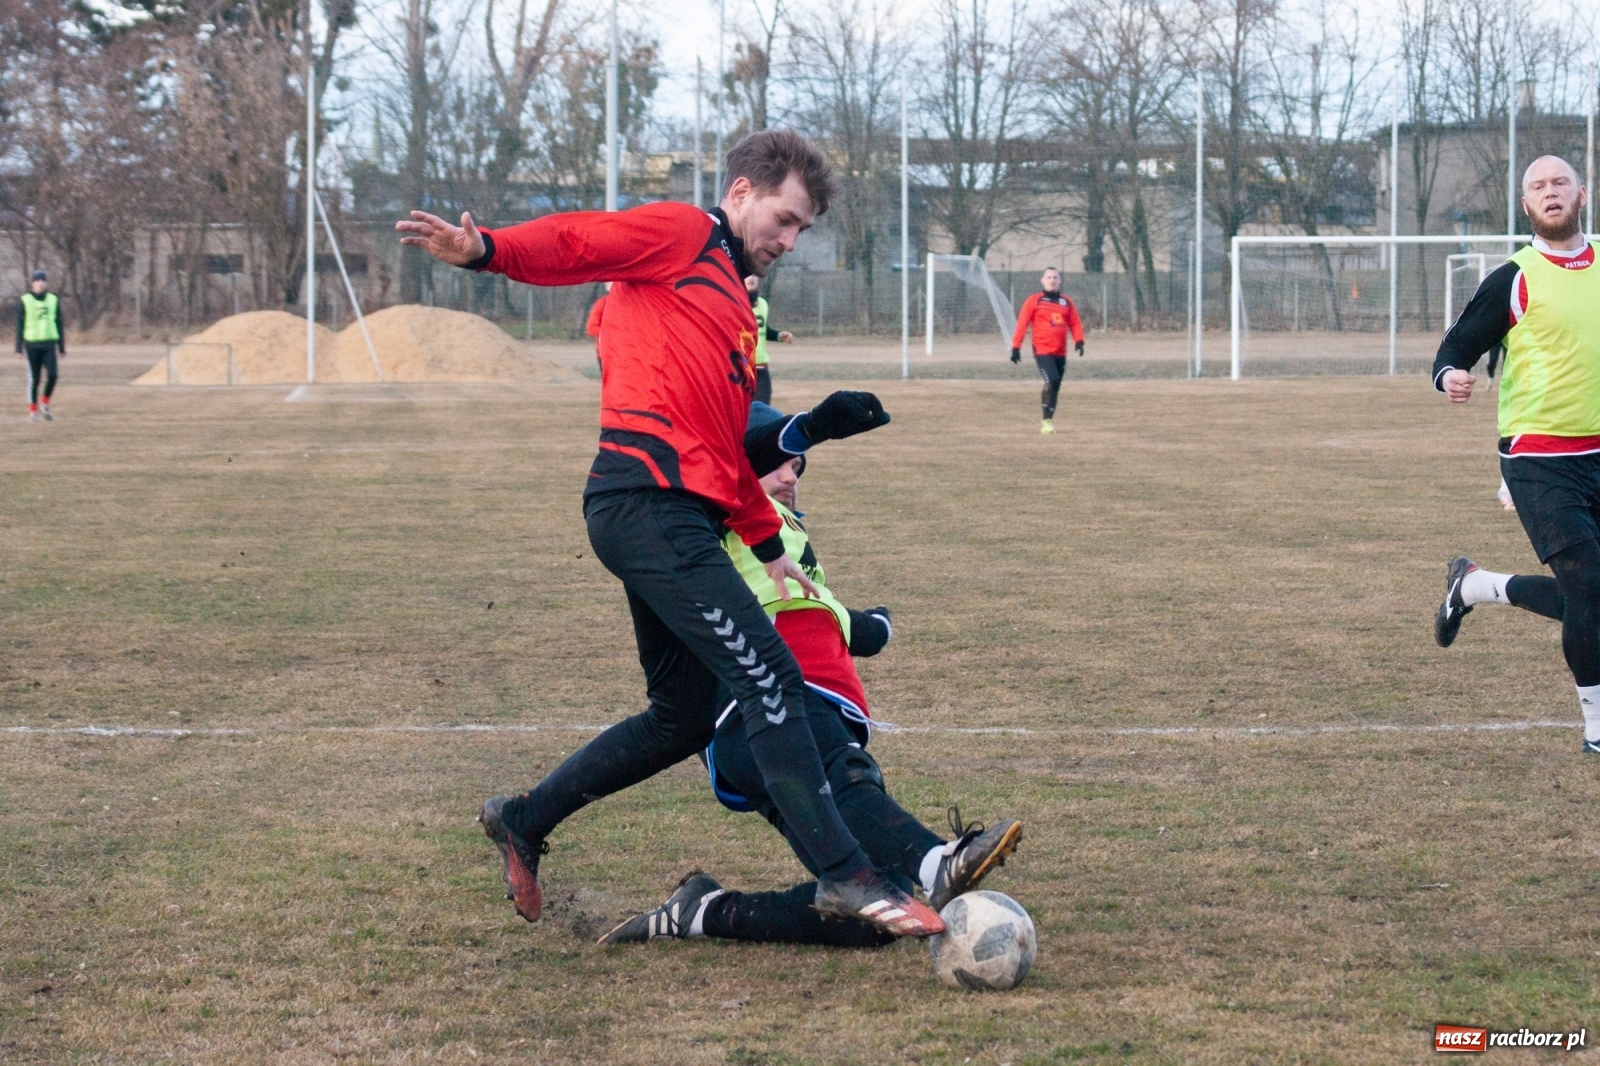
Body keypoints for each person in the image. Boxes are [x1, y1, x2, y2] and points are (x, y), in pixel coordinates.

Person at [395, 129, 946, 938]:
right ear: (741, 191)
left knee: (681, 715)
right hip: (645, 502)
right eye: (784, 220)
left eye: (801, 230)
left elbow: (722, 448)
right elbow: (581, 239)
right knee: (769, 682)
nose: (789, 241)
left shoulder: (728, 303)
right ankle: (845, 876)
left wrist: (766, 546)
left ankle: (523, 818)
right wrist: (487, 251)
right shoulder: (687, 237)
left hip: (670, 510)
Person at [598, 403, 1023, 946]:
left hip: (793, 718)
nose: (788, 476)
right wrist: (806, 427)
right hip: (758, 705)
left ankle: (700, 913)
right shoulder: (706, 511)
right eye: (776, 462)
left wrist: (864, 626)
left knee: (876, 912)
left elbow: (808, 602)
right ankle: (936, 860)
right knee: (843, 776)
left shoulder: (785, 534)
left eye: (797, 467)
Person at [1432, 155, 1600, 756]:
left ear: (1581, 193)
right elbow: (1456, 346)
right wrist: (1448, 374)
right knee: (1588, 586)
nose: (1550, 193)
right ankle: (1597, 729)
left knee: (1593, 597)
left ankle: (1475, 587)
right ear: (1526, 205)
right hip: (1538, 459)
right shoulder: (1514, 276)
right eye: (1537, 187)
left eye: (1560, 183)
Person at [1009, 267, 1084, 435]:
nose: (1052, 280)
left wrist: (1079, 340)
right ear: (1042, 280)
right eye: (1049, 277)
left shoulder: (1066, 301)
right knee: (1052, 379)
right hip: (1042, 349)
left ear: (1060, 281)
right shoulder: (1034, 300)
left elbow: (1075, 322)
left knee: (1055, 385)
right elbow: (1022, 324)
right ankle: (1046, 422)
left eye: (1055, 277)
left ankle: (1047, 420)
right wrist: (1016, 347)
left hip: (1060, 351)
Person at [16, 270, 65, 422]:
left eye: (43, 280)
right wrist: (18, 348)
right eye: (37, 280)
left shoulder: (53, 299)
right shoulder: (25, 300)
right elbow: (20, 325)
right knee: (35, 379)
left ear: (46, 283)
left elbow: (59, 323)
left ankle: (44, 402)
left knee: (53, 375)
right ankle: (33, 410)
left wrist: (61, 347)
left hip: (49, 344)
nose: (40, 283)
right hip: (32, 345)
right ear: (33, 283)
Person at [745, 275, 793, 404]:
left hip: (761, 368)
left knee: (761, 409)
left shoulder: (763, 304)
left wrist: (777, 335)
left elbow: (761, 329)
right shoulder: (733, 303)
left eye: (753, 274)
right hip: (741, 369)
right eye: (747, 273)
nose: (751, 277)